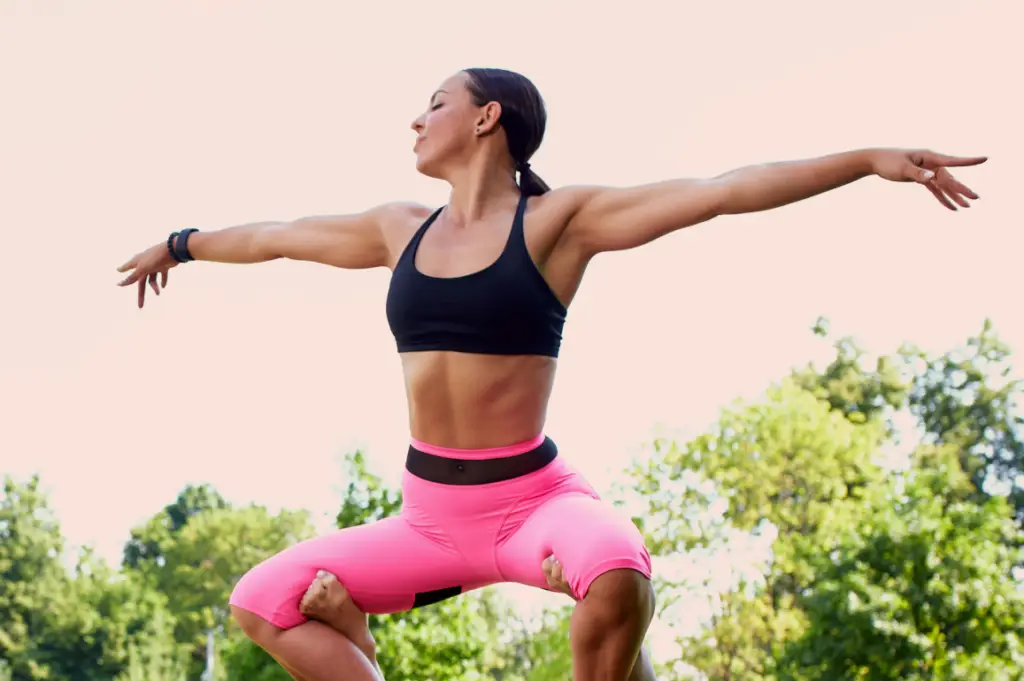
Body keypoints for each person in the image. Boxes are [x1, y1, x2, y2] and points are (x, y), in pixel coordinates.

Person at [115, 67, 985, 681]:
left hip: (536, 503)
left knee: (617, 566)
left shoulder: (560, 222)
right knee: (264, 599)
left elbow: (724, 186)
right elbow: (279, 234)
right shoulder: (397, 229)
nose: (416, 121)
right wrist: (183, 245)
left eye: (435, 104)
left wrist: (869, 159)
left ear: (487, 117)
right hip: (430, 517)